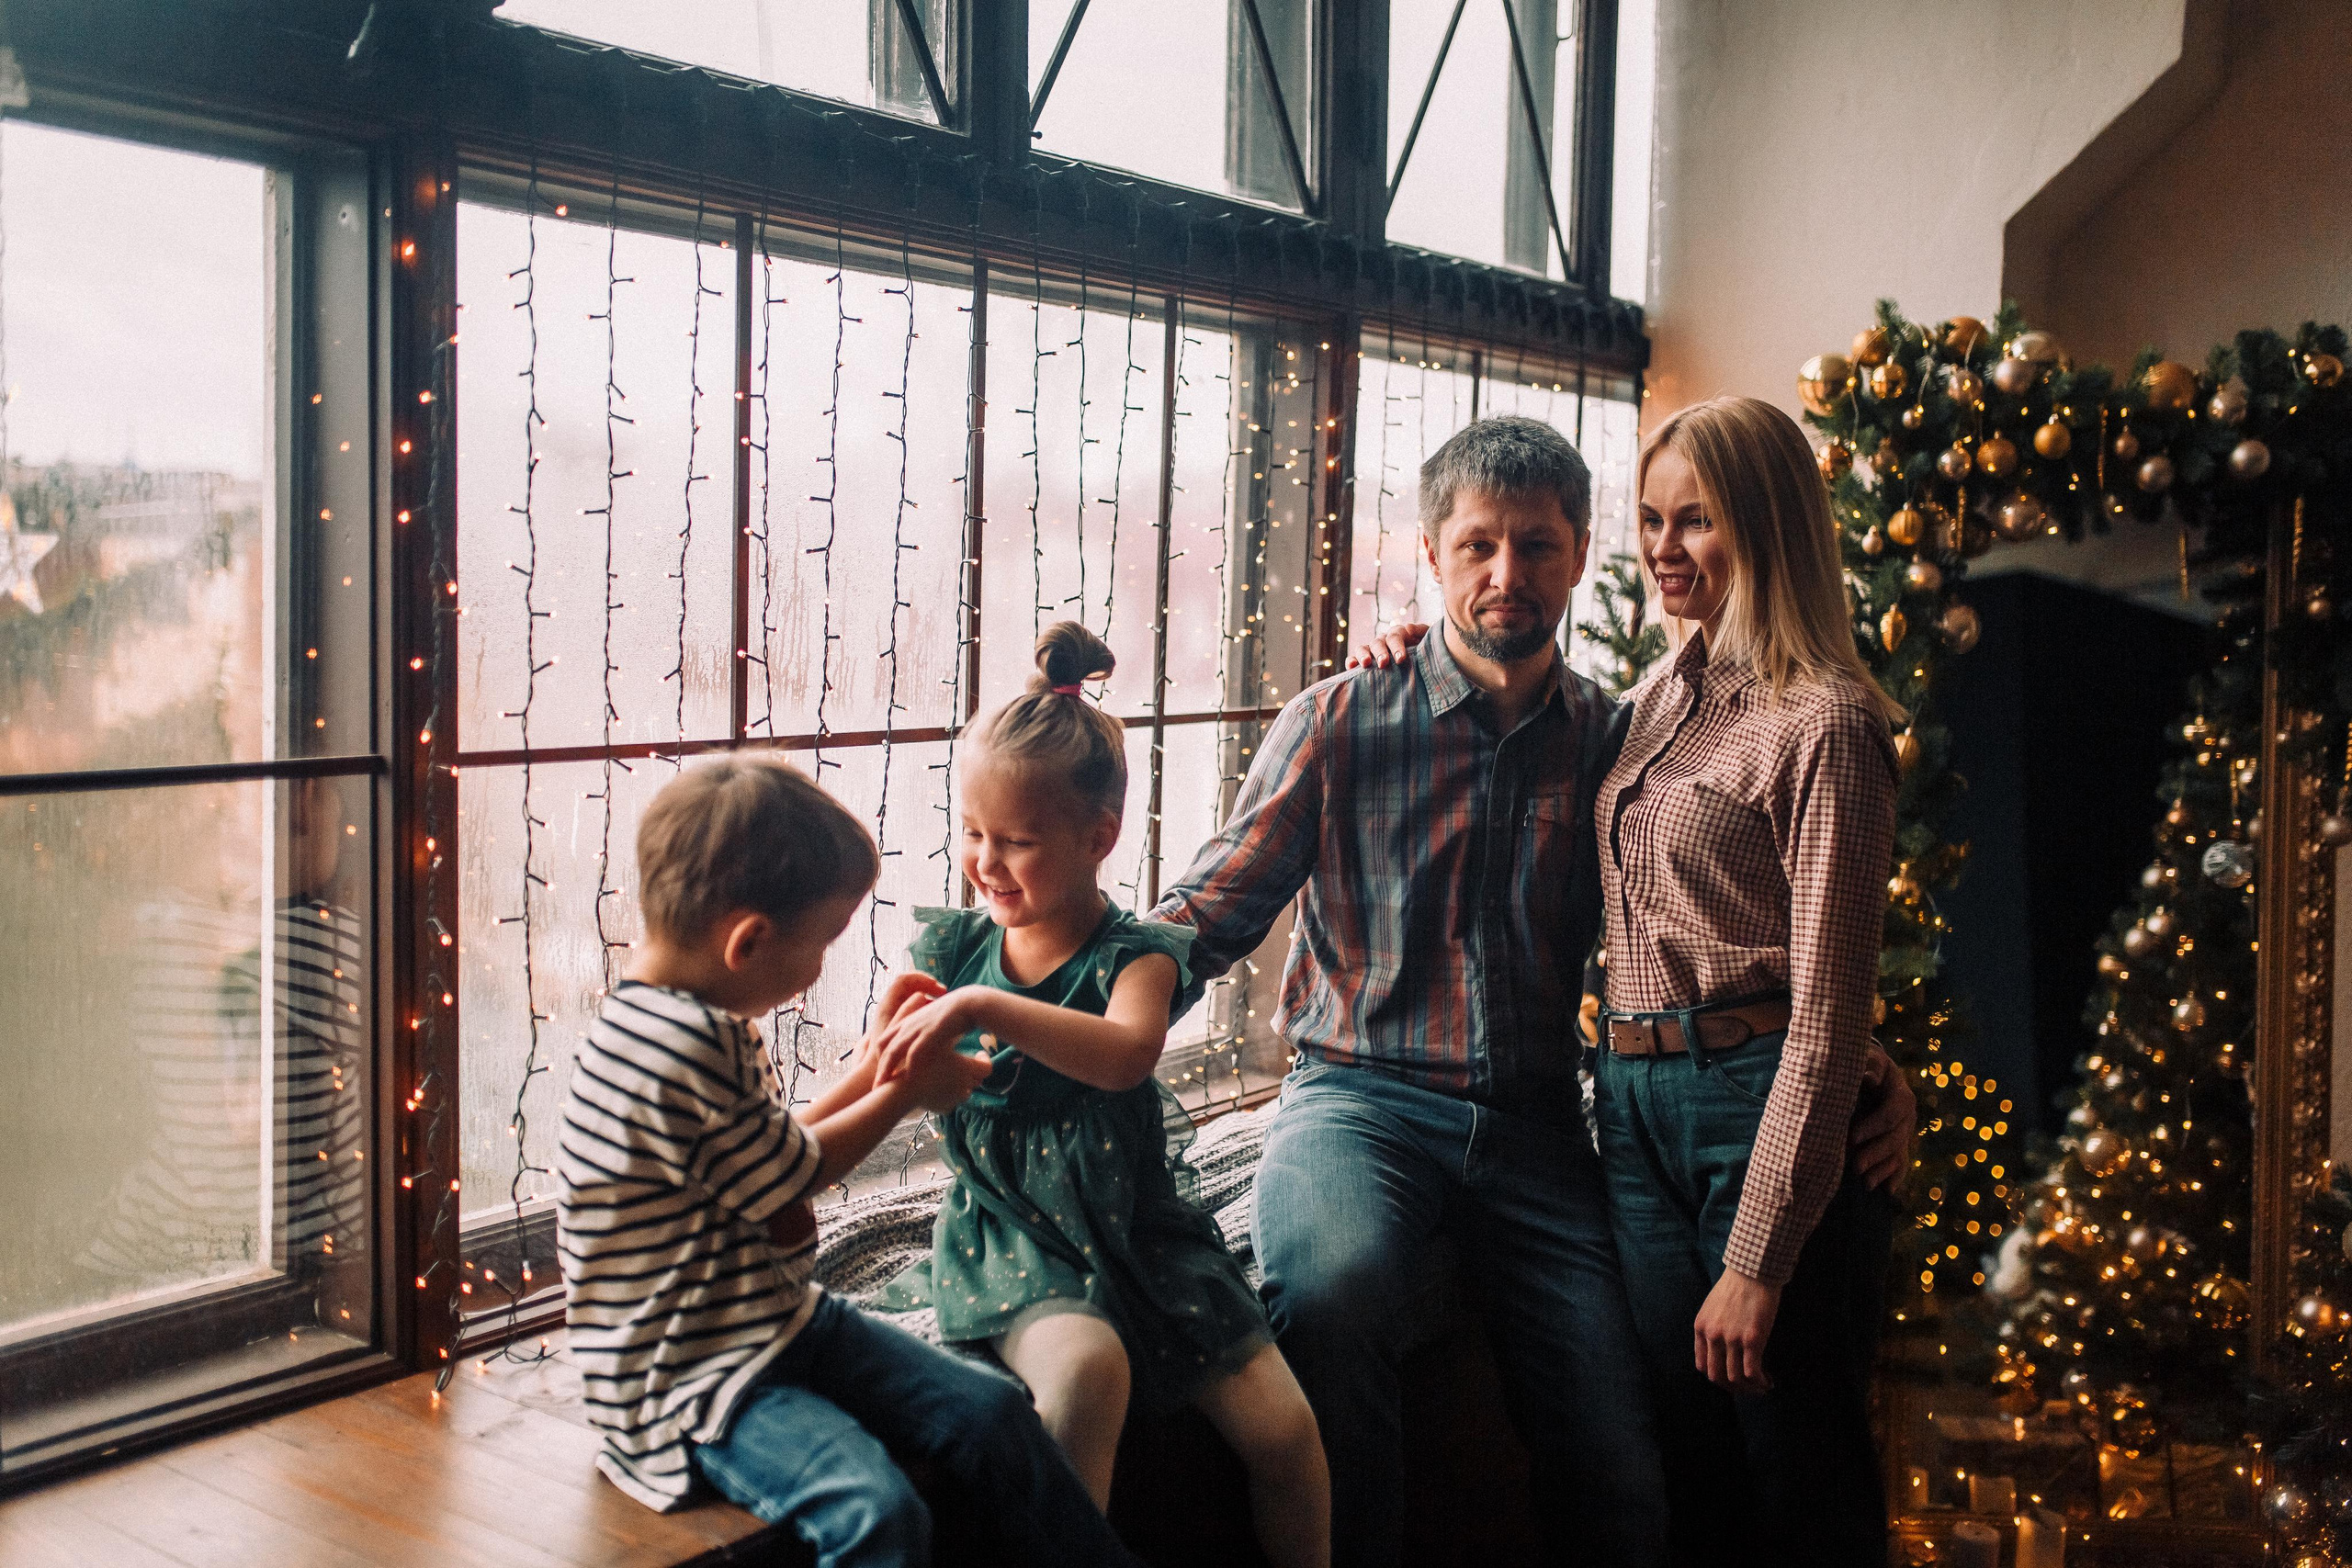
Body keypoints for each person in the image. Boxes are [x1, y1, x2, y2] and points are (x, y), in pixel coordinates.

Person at [1190, 414, 1917, 1568]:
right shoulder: (1357, 719)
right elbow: (1206, 914)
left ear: (1579, 553)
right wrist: (1053, 1005)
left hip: (1549, 1121)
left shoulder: (1621, 728)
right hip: (1387, 1102)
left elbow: (1770, 956)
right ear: (1429, 555)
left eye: (1536, 544)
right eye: (1476, 546)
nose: (1505, 575)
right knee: (1336, 1296)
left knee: (1650, 1456)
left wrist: (1853, 1072)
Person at [555, 755, 1139, 1568]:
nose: (821, 967)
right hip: (693, 1371)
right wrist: (905, 1092)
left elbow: (767, 1144)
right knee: (875, 1510)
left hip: (776, 1318)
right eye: (822, 943)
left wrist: (876, 1062)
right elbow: (796, 1170)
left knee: (996, 1418)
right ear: (748, 941)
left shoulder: (691, 1017)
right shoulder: (675, 1049)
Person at [868, 622, 1331, 1568]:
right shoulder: (951, 952)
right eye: (972, 835)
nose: (985, 862)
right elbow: (892, 1079)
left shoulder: (1137, 959)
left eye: (1017, 841)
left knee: (1287, 1436)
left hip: (1144, 1233)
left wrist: (989, 1005)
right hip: (1015, 1233)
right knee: (1086, 1371)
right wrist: (901, 1048)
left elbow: (1124, 1056)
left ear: (1099, 837)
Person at [1600, 395, 1904, 1565]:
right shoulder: (1651, 701)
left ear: (1767, 527)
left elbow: (1824, 1012)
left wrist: (1759, 1254)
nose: (1664, 549)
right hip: (1631, 1113)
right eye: (1650, 521)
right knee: (1693, 1467)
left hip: (1751, 1111)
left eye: (1698, 523)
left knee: (1798, 1469)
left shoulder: (1824, 723)